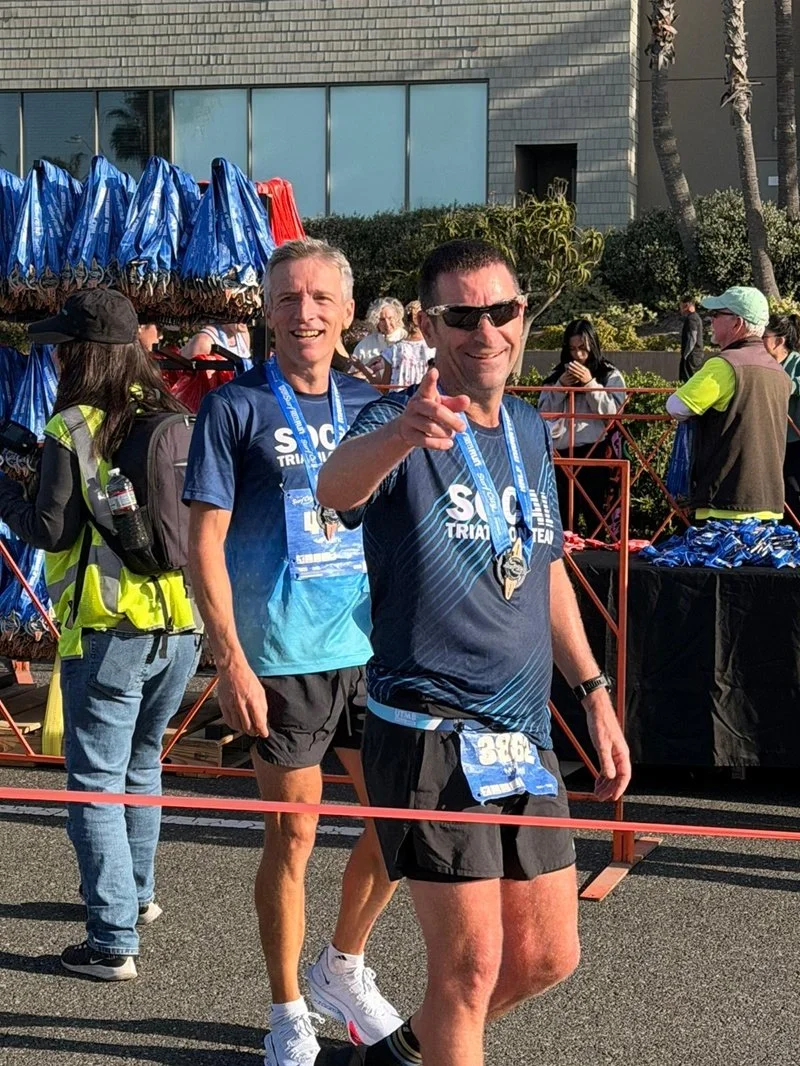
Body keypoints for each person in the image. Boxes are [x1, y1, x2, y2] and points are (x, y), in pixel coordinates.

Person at [317, 239, 631, 1066]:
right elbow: (333, 487)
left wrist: (593, 691)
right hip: (425, 729)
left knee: (547, 957)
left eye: (502, 310)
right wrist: (402, 436)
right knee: (470, 966)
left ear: (526, 317)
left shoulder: (526, 426)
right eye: (461, 315)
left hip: (523, 734)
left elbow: (544, 567)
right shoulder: (399, 419)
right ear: (429, 325)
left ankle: (405, 1050)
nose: (484, 329)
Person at [183, 238, 400, 1066]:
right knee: (295, 835)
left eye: (319, 298)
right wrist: (228, 657)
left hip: (371, 650)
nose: (303, 312)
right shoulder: (233, 408)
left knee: (399, 826)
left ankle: (341, 966)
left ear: (348, 312)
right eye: (286, 299)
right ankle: (285, 1011)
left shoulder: (370, 402)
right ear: (266, 313)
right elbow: (202, 542)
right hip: (281, 655)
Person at [0, 289, 202, 980]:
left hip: (109, 628)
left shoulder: (72, 425)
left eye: (61, 345)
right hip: (180, 625)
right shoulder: (170, 414)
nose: (53, 354)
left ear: (79, 354)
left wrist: (6, 491)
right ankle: (136, 896)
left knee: (93, 781)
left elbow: (49, 530)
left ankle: (112, 938)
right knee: (142, 763)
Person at [666, 286, 790, 521]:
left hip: (725, 503)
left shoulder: (725, 365)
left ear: (737, 323)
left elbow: (676, 406)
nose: (710, 320)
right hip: (770, 504)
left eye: (716, 315)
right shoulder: (778, 371)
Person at [537, 319, 626, 535]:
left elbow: (614, 412)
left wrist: (589, 384)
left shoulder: (609, 374)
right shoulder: (557, 374)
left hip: (594, 452)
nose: (578, 356)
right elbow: (543, 410)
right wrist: (561, 386)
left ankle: (602, 563)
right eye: (573, 349)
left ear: (592, 347)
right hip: (561, 453)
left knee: (596, 515)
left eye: (583, 349)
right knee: (563, 519)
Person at [764, 313, 800, 522]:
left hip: (793, 439)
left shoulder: (796, 362)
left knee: (792, 487)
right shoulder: (763, 363)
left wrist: (787, 386)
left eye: (764, 337)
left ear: (779, 341)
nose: (760, 341)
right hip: (770, 439)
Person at [377, 300, 436, 388]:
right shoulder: (435, 349)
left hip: (399, 400)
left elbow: (385, 387)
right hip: (424, 399)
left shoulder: (393, 350)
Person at [352, 298, 406, 370]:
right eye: (382, 320)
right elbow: (352, 374)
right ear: (376, 321)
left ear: (397, 318)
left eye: (390, 318)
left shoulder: (406, 338)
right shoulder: (365, 345)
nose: (387, 324)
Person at [182, 320, 253, 368]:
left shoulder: (243, 336)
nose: (246, 318)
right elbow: (190, 379)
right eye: (240, 311)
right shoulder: (204, 341)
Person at [679, 295, 705, 382]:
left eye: (682, 306)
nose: (681, 310)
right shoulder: (696, 318)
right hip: (695, 356)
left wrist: (685, 356)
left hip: (691, 357)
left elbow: (692, 337)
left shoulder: (692, 319)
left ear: (687, 306)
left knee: (688, 381)